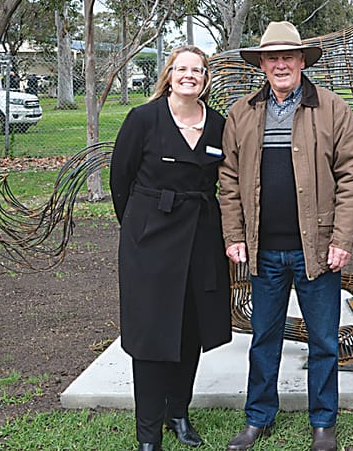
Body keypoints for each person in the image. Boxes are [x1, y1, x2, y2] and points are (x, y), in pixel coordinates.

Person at [219, 21, 353, 451]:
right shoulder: (242, 113)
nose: (281, 64)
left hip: (316, 250)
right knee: (264, 338)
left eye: (289, 57)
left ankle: (323, 422)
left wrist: (341, 239)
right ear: (262, 64)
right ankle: (258, 417)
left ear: (302, 61)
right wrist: (234, 234)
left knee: (323, 340)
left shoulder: (332, 109)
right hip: (263, 250)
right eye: (272, 58)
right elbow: (228, 179)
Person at [109, 45, 233, 451]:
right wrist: (140, 228)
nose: (189, 76)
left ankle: (178, 413)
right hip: (151, 241)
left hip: (200, 237)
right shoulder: (143, 119)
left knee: (190, 328)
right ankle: (148, 434)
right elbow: (120, 182)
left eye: (197, 70)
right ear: (169, 74)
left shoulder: (217, 124)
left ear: (206, 78)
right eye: (182, 69)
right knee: (150, 334)